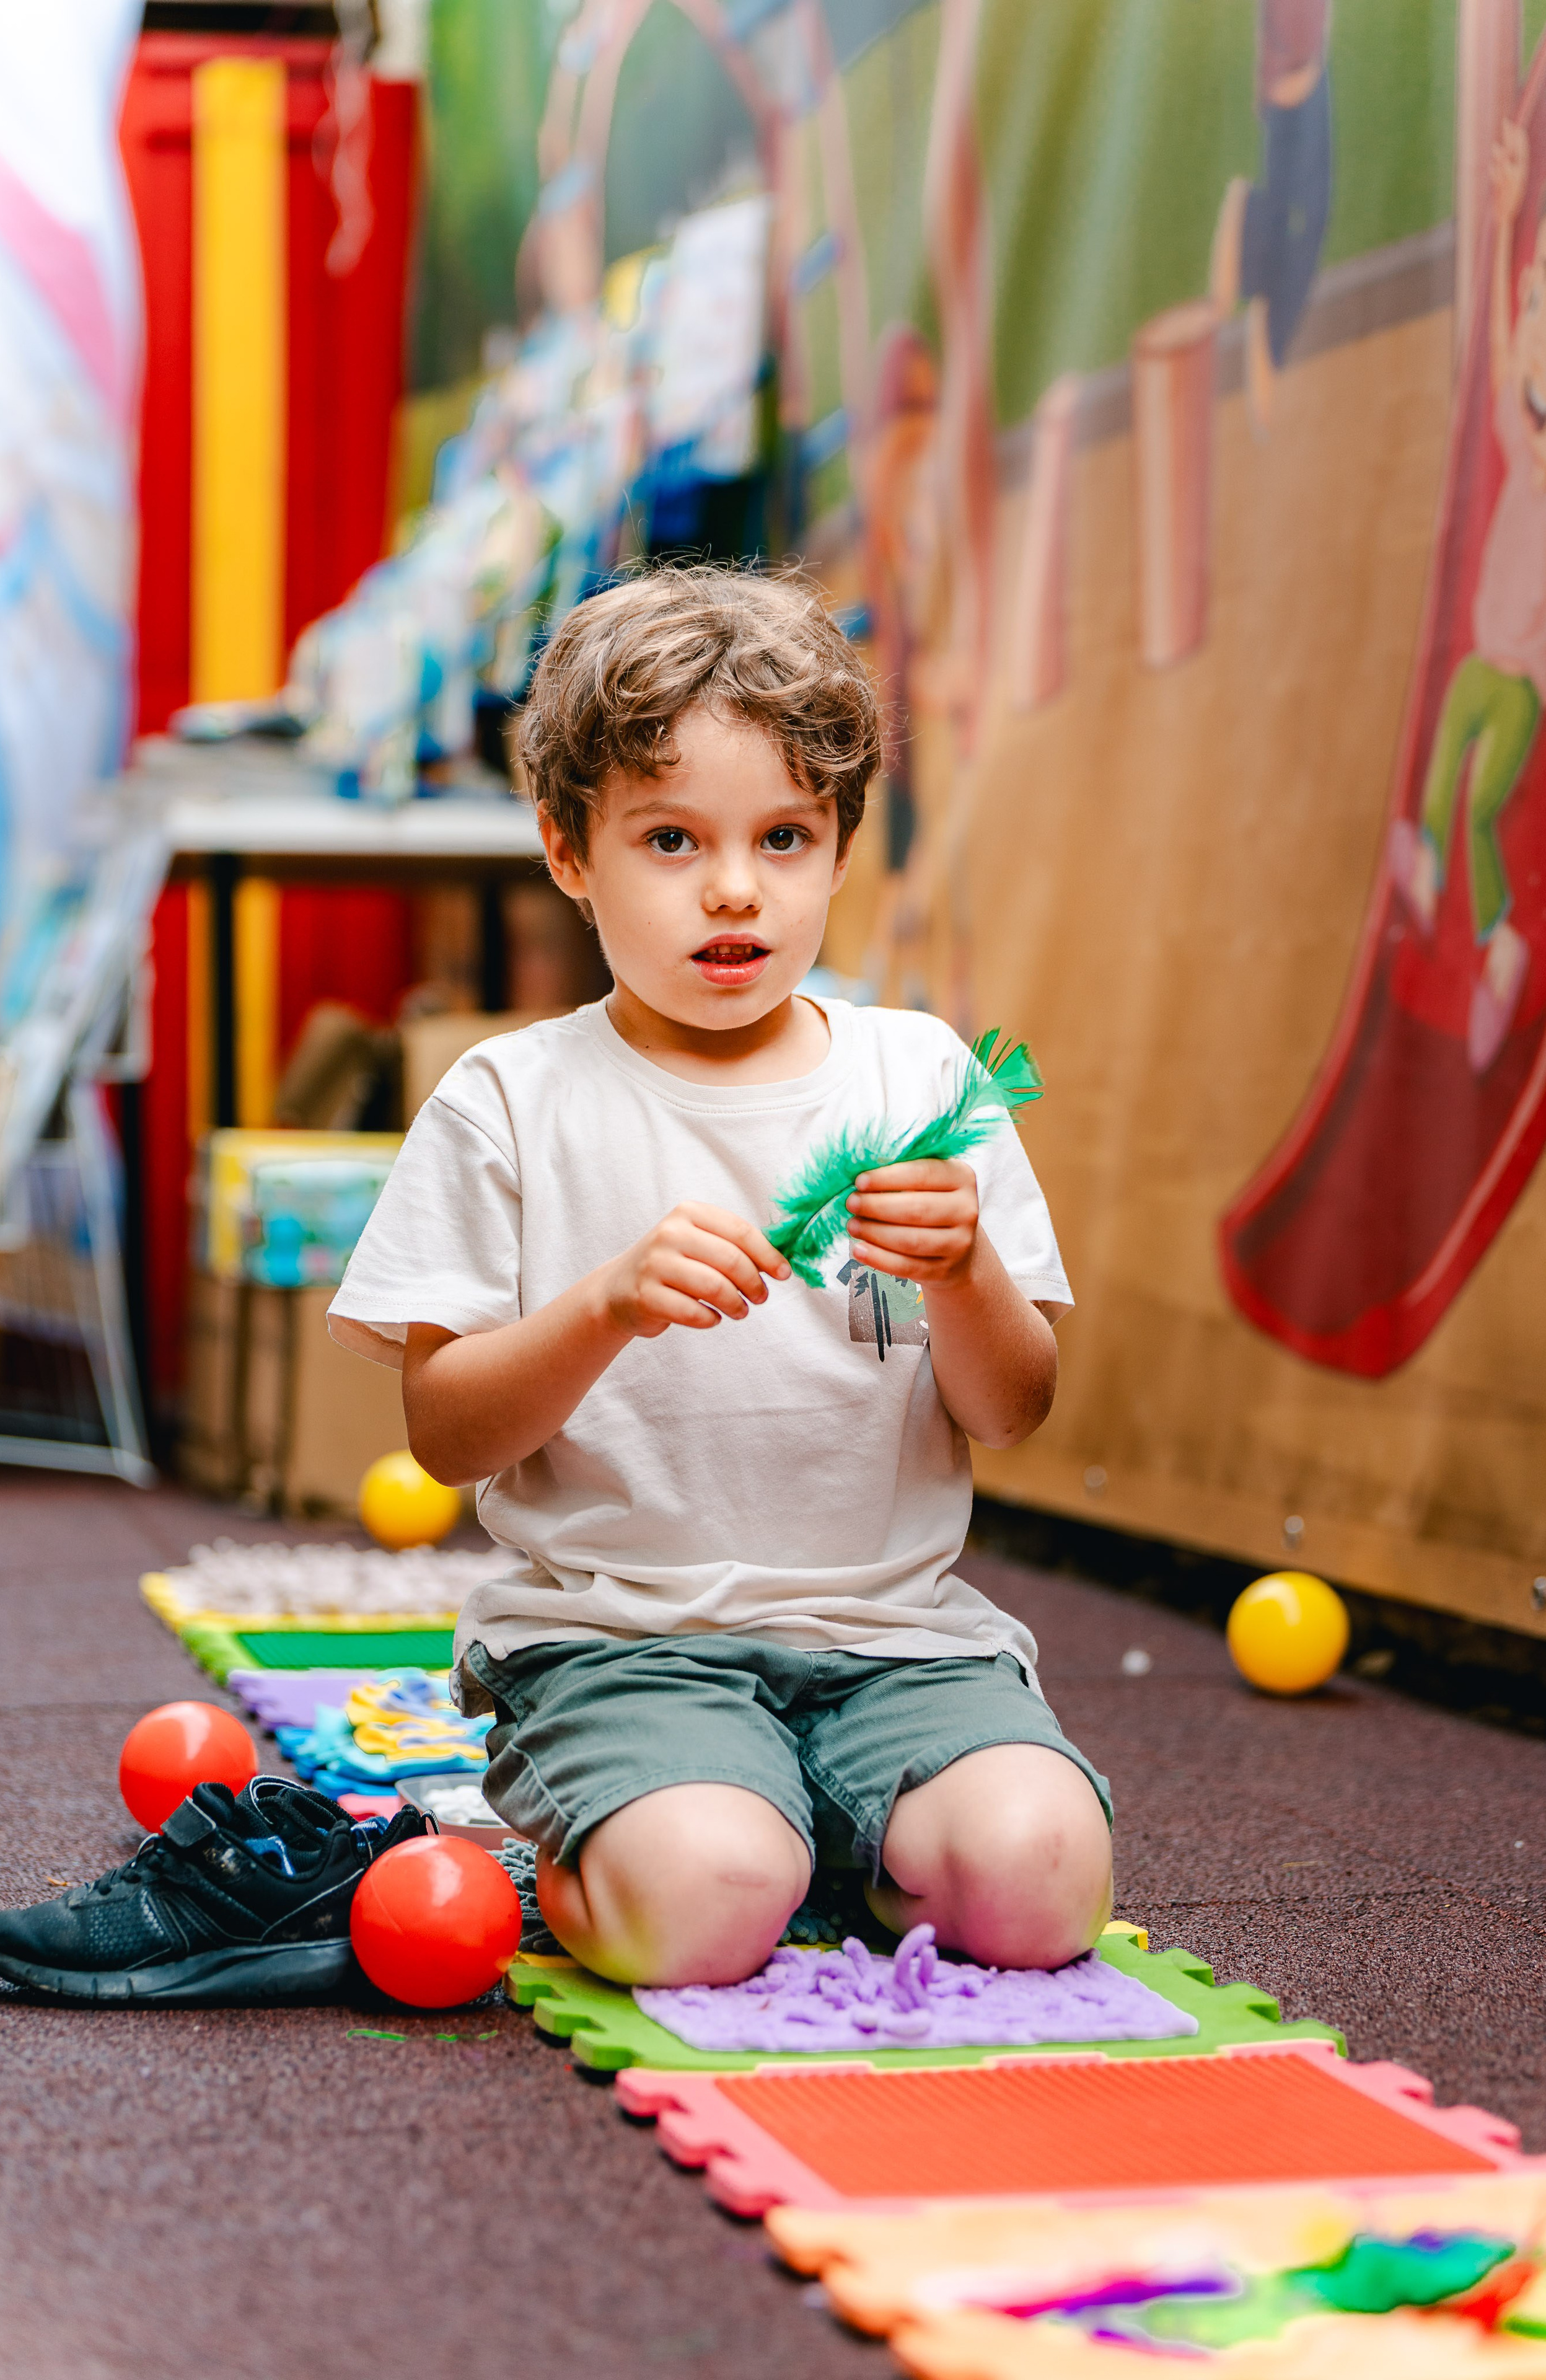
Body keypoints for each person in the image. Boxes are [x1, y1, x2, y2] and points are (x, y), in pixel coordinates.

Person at [328, 564, 1113, 1990]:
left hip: (899, 1643)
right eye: (672, 838)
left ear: (836, 843)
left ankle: (815, 1829)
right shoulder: (508, 1096)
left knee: (1042, 1884)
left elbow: (1010, 1408)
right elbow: (444, 1436)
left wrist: (965, 1272)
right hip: (618, 1642)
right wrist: (604, 1304)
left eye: (784, 836)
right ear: (570, 852)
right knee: (701, 1902)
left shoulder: (919, 1081)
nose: (735, 886)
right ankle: (597, 1843)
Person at [1390, 76, 1546, 1073]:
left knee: (1479, 805)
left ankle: (1503, 940)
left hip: (1521, 684)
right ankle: (1424, 879)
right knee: (1436, 785)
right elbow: (1512, 363)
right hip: (1480, 671)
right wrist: (1509, 216)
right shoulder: (1527, 433)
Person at [1210, 0, 1332, 431]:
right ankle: (1247, 218)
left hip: (1310, 72)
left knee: (1309, 215)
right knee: (1298, 217)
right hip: (1290, 80)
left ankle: (1269, 337)